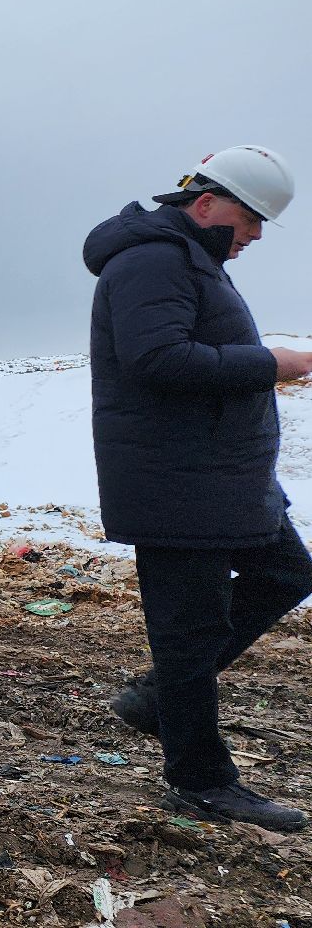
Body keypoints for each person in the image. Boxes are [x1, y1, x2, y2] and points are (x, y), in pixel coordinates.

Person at [85, 145, 312, 831]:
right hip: (175, 484)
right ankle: (200, 778)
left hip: (219, 478)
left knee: (287, 571)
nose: (255, 236)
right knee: (188, 635)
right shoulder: (152, 259)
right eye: (250, 220)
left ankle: (159, 702)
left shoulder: (188, 261)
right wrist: (271, 362)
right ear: (206, 204)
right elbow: (158, 359)